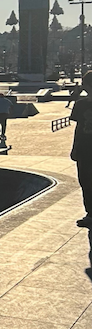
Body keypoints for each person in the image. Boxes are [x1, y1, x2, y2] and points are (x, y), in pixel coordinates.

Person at [68, 73, 92, 227]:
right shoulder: (81, 104)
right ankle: (90, 213)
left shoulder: (80, 104)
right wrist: (75, 148)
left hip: (84, 148)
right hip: (84, 149)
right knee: (85, 180)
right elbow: (78, 128)